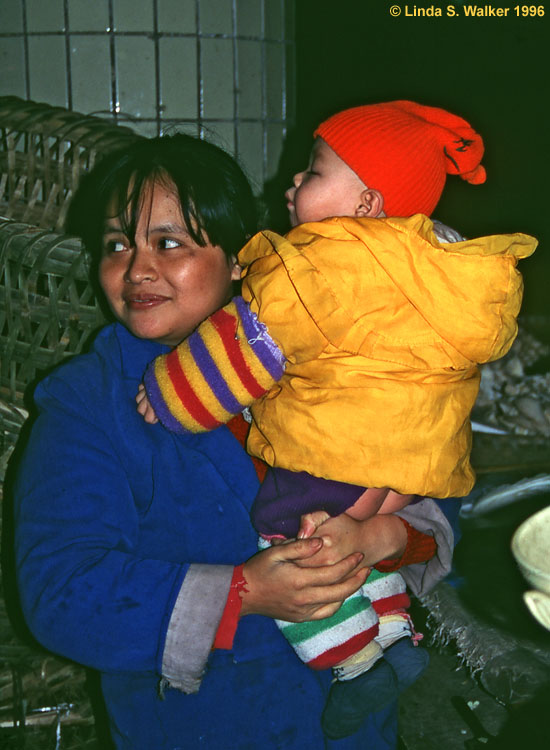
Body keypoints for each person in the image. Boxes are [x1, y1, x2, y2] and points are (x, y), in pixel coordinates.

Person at [13, 132, 455, 750]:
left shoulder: (328, 364)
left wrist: (381, 536)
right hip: (202, 726)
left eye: (169, 243)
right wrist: (242, 595)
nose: (137, 269)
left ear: (243, 259)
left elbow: (434, 487)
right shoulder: (89, 403)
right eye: (116, 245)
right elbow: (58, 592)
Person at [137, 102, 537, 738]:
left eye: (314, 171)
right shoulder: (443, 271)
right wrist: (388, 525)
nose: (291, 184)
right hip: (411, 469)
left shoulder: (322, 268)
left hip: (335, 453)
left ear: (368, 204)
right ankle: (396, 635)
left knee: (287, 534)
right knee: (354, 552)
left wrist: (170, 392)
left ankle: (355, 665)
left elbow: (246, 347)